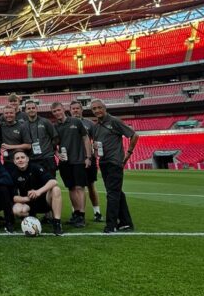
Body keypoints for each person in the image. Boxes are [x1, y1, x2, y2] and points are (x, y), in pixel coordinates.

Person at [89, 99, 138, 233]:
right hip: (103, 162)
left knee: (112, 194)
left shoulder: (114, 121)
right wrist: (95, 148)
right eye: (94, 109)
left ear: (105, 108)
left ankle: (111, 225)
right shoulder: (96, 126)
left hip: (115, 162)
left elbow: (134, 135)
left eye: (99, 107)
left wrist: (129, 153)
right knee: (116, 192)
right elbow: (96, 145)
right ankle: (126, 223)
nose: (97, 110)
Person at [50, 101, 93, 228]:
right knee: (71, 188)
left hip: (79, 160)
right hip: (65, 162)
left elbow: (85, 138)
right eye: (54, 111)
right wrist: (57, 154)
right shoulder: (54, 127)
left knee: (80, 188)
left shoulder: (76, 121)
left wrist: (88, 157)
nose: (57, 113)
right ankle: (76, 213)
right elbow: (53, 145)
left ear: (64, 109)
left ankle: (82, 216)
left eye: (58, 110)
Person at [8, 149, 63, 236]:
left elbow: (53, 181)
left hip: (44, 200)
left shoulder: (36, 167)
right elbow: (14, 197)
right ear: (14, 162)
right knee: (16, 209)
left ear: (27, 159)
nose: (20, 160)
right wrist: (28, 198)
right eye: (17, 158)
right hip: (28, 202)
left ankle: (57, 223)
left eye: (22, 157)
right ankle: (30, 218)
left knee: (56, 189)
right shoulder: (13, 173)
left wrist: (38, 192)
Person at [70, 100, 103, 222]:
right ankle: (76, 212)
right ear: (70, 110)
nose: (75, 110)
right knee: (74, 187)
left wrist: (95, 152)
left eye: (77, 108)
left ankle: (97, 212)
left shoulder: (89, 124)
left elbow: (97, 139)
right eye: (73, 109)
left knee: (90, 185)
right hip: (73, 160)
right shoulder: (67, 123)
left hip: (88, 159)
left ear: (81, 110)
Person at [24, 101, 58, 173]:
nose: (31, 110)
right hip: (33, 159)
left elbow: (55, 137)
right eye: (29, 108)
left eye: (33, 108)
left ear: (36, 109)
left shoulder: (46, 121)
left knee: (51, 179)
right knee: (36, 180)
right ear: (25, 110)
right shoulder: (24, 125)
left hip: (47, 157)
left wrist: (51, 149)